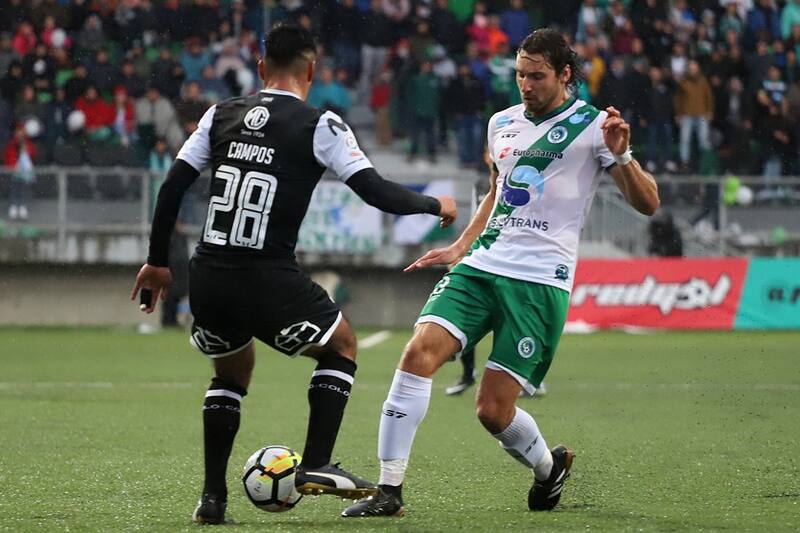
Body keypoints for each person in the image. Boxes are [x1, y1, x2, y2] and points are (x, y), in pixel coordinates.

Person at [130, 23, 457, 525]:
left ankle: (212, 499)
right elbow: (374, 191)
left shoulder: (220, 114)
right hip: (267, 275)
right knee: (341, 344)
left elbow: (172, 186)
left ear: (261, 67)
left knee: (230, 373)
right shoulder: (320, 125)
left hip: (209, 272)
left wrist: (157, 261)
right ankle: (317, 461)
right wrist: (436, 204)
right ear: (312, 69)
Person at [342, 28, 659, 518]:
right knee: (417, 353)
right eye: (520, 75)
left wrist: (621, 154)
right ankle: (389, 491)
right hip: (483, 265)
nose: (526, 85)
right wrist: (461, 246)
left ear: (565, 74)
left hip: (539, 281)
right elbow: (498, 191)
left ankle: (549, 469)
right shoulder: (501, 122)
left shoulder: (596, 126)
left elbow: (649, 204)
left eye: (537, 76)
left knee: (492, 411)